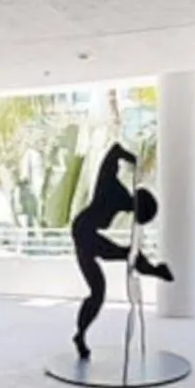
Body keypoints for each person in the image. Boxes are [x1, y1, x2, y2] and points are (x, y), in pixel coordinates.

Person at [70, 142, 173, 359]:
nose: (133, 217)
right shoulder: (109, 186)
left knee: (98, 291)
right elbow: (114, 151)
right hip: (84, 232)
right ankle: (156, 271)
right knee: (122, 260)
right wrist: (131, 157)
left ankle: (80, 335)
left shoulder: (125, 201)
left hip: (86, 234)